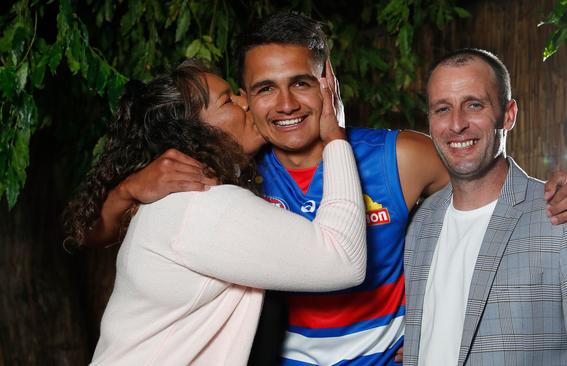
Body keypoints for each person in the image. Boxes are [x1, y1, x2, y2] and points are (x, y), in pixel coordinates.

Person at [87, 13, 567, 365]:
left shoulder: (399, 158)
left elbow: (481, 165)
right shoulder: (230, 175)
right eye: (265, 89)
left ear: (328, 80)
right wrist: (127, 191)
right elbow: (103, 238)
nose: (286, 104)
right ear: (246, 99)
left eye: (300, 81)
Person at [64, 59, 368, 365]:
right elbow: (344, 259)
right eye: (228, 100)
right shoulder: (200, 205)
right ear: (196, 132)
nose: (246, 102)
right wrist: (335, 139)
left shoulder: (186, 199)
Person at [403, 48, 567, 365]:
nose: (456, 124)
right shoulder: (418, 225)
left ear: (508, 114)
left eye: (474, 105)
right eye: (443, 109)